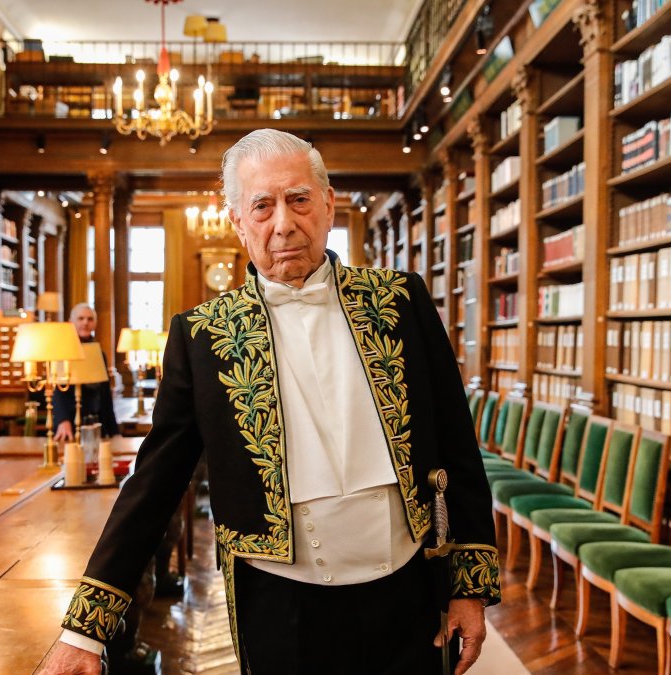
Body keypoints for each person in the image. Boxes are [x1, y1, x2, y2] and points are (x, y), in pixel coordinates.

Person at [39, 129, 499, 675]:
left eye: (299, 199)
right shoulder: (202, 335)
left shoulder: (402, 301)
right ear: (237, 222)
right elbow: (156, 480)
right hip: (280, 606)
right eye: (262, 206)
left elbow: (456, 445)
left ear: (328, 205)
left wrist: (468, 587)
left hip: (408, 592)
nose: (284, 223)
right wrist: (84, 631)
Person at [53, 303, 120, 443]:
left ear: (95, 323)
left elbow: (105, 395)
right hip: (68, 422)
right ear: (72, 322)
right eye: (81, 318)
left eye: (90, 319)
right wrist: (62, 420)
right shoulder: (62, 350)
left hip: (96, 421)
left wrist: (114, 431)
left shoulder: (99, 353)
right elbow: (58, 391)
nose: (85, 323)